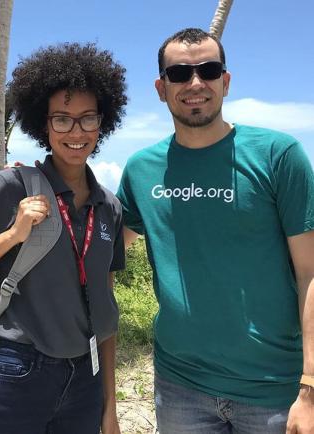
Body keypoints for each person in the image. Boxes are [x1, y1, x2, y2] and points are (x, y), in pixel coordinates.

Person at [117, 28, 314, 433]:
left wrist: (310, 388)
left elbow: (310, 273)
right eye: (179, 74)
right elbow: (101, 247)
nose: (195, 83)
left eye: (208, 70)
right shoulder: (141, 169)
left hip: (273, 388)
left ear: (225, 81)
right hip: (179, 388)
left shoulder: (278, 155)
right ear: (160, 87)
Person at [0, 42, 127, 434]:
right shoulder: (12, 186)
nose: (76, 132)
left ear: (102, 123)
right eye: (62, 119)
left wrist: (110, 407)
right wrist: (13, 235)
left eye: (88, 118)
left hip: (84, 379)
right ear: (44, 124)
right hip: (14, 370)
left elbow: (105, 309)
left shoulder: (109, 206)